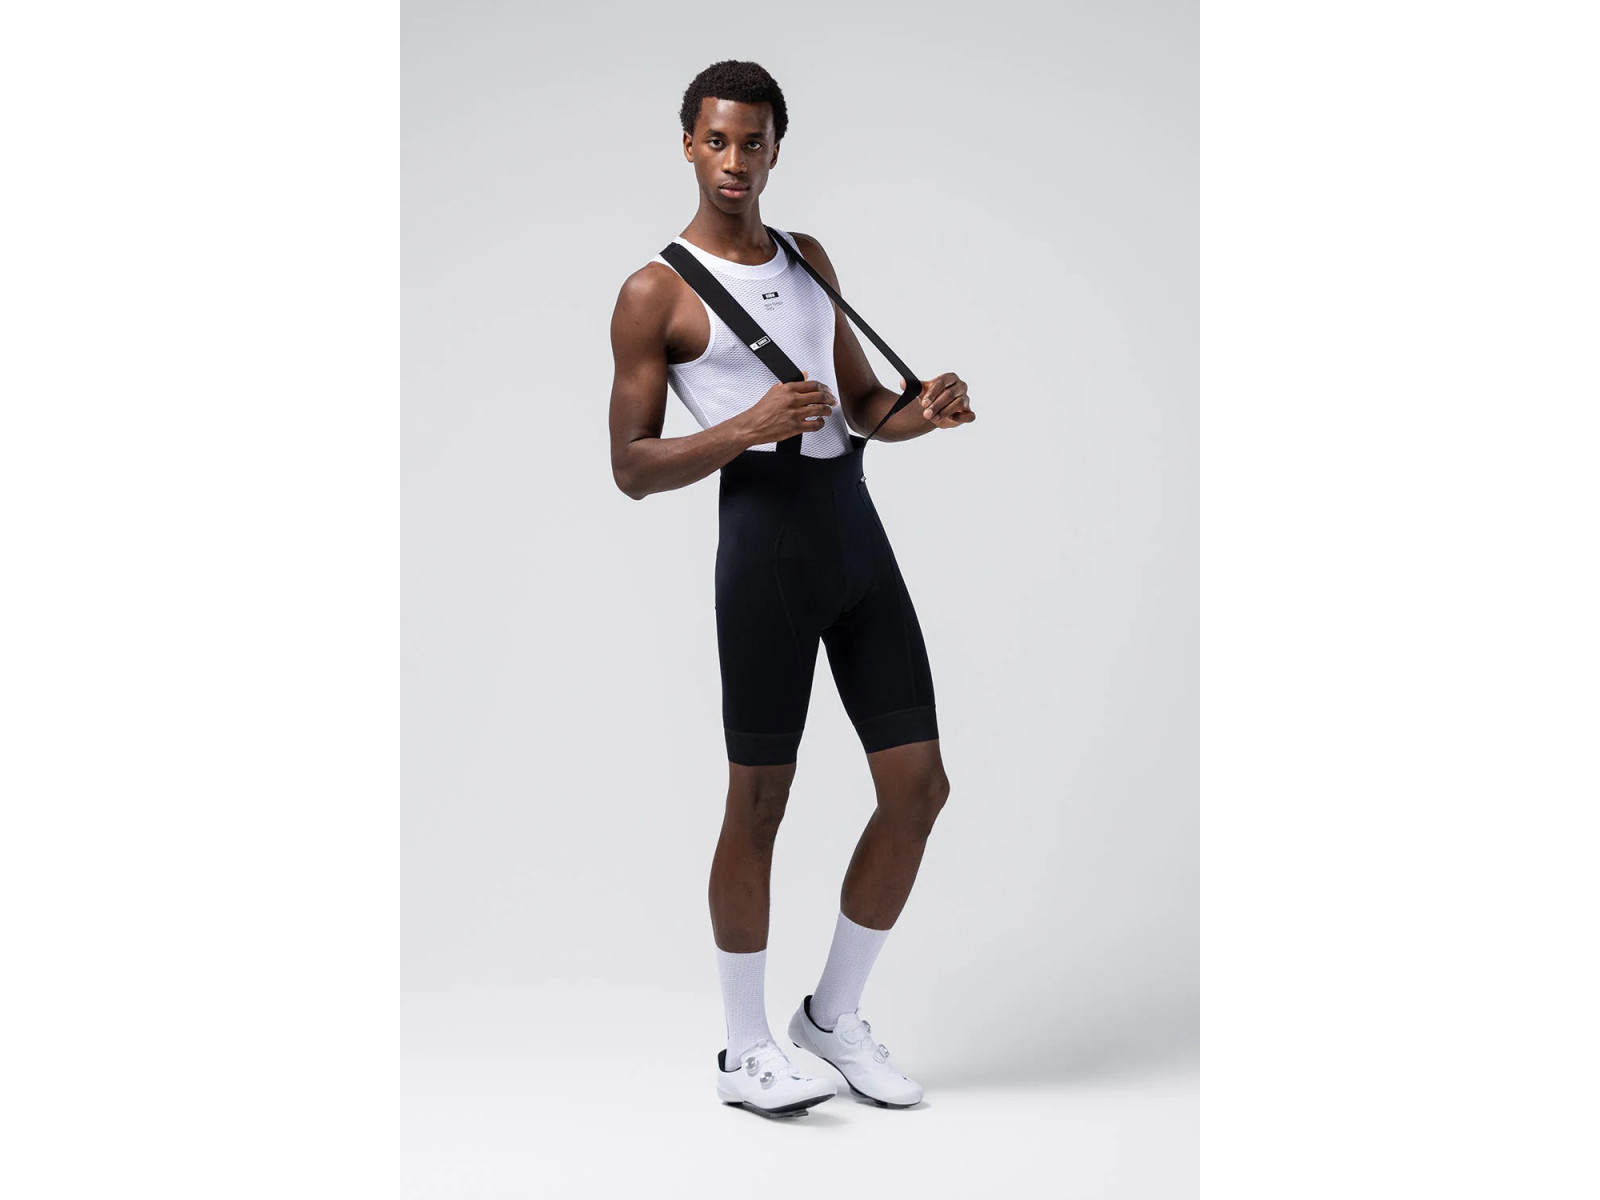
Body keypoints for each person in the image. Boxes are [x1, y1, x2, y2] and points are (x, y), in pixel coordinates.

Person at [607, 59, 976, 1117]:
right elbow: (630, 466)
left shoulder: (809, 257)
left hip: (854, 537)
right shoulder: (655, 291)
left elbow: (859, 406)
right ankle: (744, 1050)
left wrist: (920, 411)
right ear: (688, 143)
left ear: (776, 149)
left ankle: (833, 1017)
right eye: (717, 140)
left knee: (919, 788)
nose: (735, 160)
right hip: (763, 551)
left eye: (754, 142)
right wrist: (744, 427)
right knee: (759, 801)